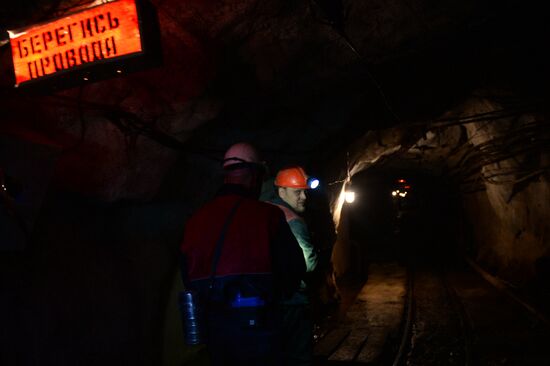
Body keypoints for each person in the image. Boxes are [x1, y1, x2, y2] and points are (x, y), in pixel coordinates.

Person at [180, 142, 306, 366]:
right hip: (261, 332)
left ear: (225, 176)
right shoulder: (268, 216)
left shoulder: (194, 221)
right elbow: (294, 269)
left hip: (215, 334)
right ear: (255, 176)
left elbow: (187, 276)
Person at [265, 166, 319, 366]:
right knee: (298, 355)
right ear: (281, 191)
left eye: (305, 191)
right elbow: (309, 264)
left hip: (267, 300)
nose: (304, 197)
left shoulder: (264, 212)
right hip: (294, 301)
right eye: (298, 192)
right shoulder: (294, 222)